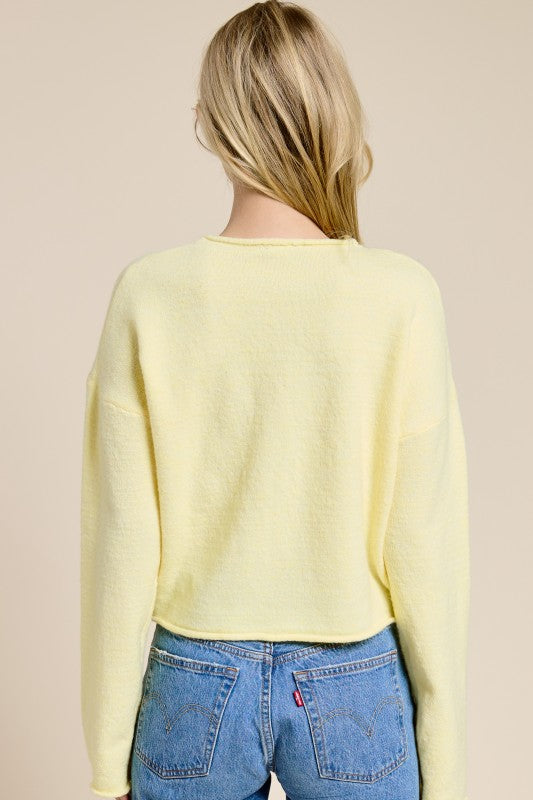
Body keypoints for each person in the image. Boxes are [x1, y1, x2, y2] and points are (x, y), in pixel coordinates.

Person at [80, 2, 470, 799]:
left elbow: (120, 545)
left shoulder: (150, 294)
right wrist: (445, 764)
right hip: (353, 678)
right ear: (335, 118)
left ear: (210, 122)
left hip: (193, 677)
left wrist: (104, 764)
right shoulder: (399, 295)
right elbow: (425, 544)